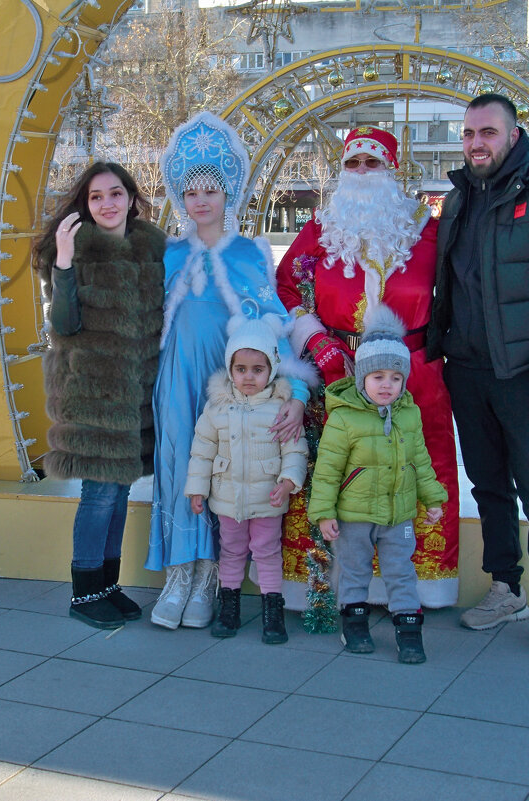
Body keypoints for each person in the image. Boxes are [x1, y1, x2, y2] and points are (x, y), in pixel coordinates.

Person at [276, 127, 458, 630]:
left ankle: (413, 586)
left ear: (392, 171)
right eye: (352, 163)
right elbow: (286, 287)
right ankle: (332, 585)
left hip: (415, 374)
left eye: (371, 164)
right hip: (337, 372)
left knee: (414, 468)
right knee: (339, 470)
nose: (361, 173)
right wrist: (315, 340)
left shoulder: (427, 230)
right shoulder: (320, 230)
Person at [426, 93, 529, 658]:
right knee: (489, 485)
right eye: (469, 134)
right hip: (467, 370)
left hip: (525, 373)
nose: (476, 143)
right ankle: (505, 588)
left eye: (487, 132)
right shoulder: (459, 200)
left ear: (513, 136)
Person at [147, 111, 314, 630]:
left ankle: (212, 578)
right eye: (191, 192)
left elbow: (274, 325)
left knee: (225, 466)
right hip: (177, 379)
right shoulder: (169, 253)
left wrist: (293, 389)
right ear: (180, 197)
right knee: (181, 466)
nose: (201, 201)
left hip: (230, 387)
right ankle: (179, 573)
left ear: (227, 196)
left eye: (211, 191)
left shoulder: (247, 253)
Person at [34, 162, 166, 629]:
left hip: (135, 394)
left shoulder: (152, 247)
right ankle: (84, 591)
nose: (107, 204)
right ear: (85, 205)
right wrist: (65, 262)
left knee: (120, 489)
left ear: (131, 197)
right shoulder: (73, 250)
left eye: (115, 193)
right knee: (99, 493)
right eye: (96, 197)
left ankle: (108, 585)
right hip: (92, 393)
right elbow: (64, 323)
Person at [309, 305, 447, 663]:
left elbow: (420, 460)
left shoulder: (408, 414)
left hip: (397, 515)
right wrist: (324, 512)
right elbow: (327, 470)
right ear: (362, 378)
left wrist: (433, 497)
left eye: (395, 378)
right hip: (354, 516)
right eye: (378, 377)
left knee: (401, 570)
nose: (387, 385)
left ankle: (408, 630)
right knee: (354, 569)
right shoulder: (344, 418)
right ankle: (354, 623)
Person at [184, 315, 308, 644]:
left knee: (267, 552)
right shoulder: (217, 408)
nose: (249, 377)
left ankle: (272, 611)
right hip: (227, 498)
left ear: (271, 370)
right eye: (241, 369)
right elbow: (202, 450)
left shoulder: (280, 407)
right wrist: (197, 488)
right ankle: (229, 607)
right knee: (232, 552)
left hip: (268, 498)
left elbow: (295, 451)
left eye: (258, 369)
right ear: (230, 369)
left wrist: (288, 482)